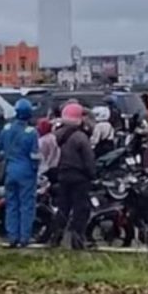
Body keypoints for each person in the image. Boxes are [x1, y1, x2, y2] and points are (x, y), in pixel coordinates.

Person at [53, 102, 96, 250]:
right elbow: (88, 159)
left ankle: (56, 237)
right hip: (79, 177)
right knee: (80, 209)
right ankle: (77, 240)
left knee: (63, 207)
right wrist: (92, 175)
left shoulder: (56, 135)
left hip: (62, 175)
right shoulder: (80, 137)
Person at [0, 99, 40, 248]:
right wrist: (36, 169)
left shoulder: (7, 129)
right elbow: (35, 155)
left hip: (10, 170)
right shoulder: (31, 132)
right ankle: (24, 238)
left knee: (11, 204)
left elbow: (1, 148)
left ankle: (12, 236)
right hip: (26, 171)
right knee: (27, 205)